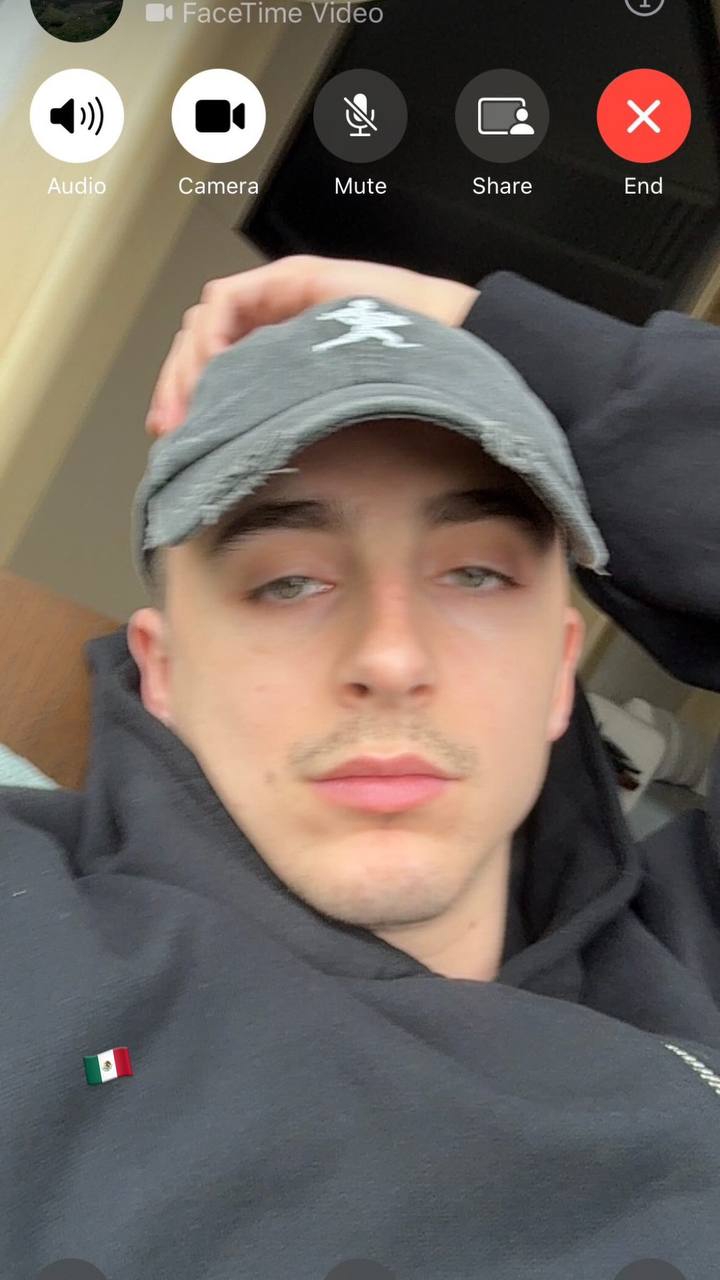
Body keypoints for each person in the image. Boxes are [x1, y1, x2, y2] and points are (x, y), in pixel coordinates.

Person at [2, 255, 719, 1279]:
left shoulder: (693, 947)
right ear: (162, 671)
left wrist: (480, 323)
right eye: (288, 582)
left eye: (475, 572)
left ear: (561, 671)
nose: (390, 656)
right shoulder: (32, 939)